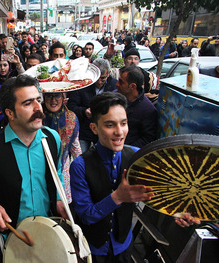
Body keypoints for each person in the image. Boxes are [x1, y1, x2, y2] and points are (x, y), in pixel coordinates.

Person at [0, 75, 67, 262]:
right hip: (6, 241)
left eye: (38, 100)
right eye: (27, 103)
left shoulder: (52, 139)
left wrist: (58, 197)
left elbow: (56, 172)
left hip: (47, 235)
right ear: (9, 113)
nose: (38, 108)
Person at [70, 92, 154, 262]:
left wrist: (181, 214)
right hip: (94, 249)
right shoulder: (80, 166)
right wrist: (117, 197)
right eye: (110, 125)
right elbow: (85, 215)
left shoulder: (136, 156)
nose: (119, 132)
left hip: (124, 244)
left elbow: (159, 191)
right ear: (94, 128)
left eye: (123, 124)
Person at [68, 58, 117, 153]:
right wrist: (84, 111)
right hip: (84, 129)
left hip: (104, 131)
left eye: (103, 78)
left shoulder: (114, 85)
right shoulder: (82, 84)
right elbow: (71, 106)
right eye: (97, 78)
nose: (99, 82)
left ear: (109, 73)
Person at [42, 92, 82, 203]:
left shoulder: (71, 117)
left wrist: (83, 167)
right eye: (49, 96)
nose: (53, 100)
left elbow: (75, 146)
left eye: (57, 96)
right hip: (39, 168)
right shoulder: (36, 116)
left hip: (63, 166)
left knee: (63, 203)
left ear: (63, 98)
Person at [116, 66, 158, 147]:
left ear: (132, 86)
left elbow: (148, 138)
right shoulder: (114, 97)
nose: (117, 84)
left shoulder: (147, 110)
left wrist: (125, 151)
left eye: (121, 82)